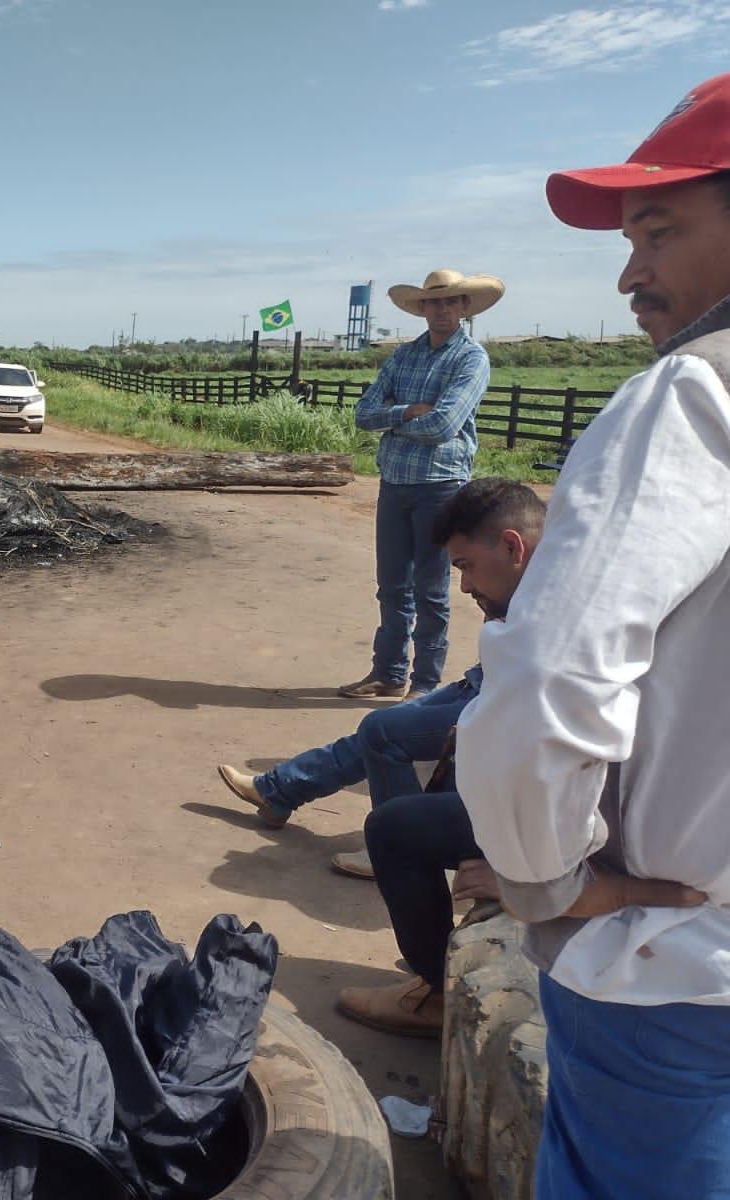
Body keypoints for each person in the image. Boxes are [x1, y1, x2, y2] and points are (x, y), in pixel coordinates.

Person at [455, 74, 730, 1199]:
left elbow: (547, 680)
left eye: (657, 232)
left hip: (676, 975)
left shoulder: (691, 396)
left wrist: (544, 880)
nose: (628, 274)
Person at [331, 479, 544, 1037]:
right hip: (540, 806)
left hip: (577, 830)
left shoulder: (558, 634)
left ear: (513, 546)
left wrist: (526, 875)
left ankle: (437, 992)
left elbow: (591, 781)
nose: (465, 585)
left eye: (467, 567)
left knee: (395, 830)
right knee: (391, 740)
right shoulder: (538, 605)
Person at [341, 269, 500, 701]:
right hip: (396, 480)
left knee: (430, 588)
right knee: (392, 585)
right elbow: (364, 413)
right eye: (433, 302)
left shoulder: (470, 359)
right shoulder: (404, 355)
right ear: (422, 308)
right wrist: (409, 411)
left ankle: (425, 684)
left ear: (464, 307)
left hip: (440, 484)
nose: (441, 309)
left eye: (450, 301)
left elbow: (444, 424)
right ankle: (389, 673)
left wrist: (393, 417)